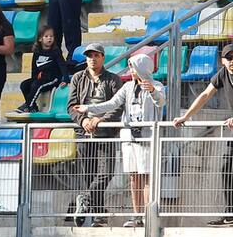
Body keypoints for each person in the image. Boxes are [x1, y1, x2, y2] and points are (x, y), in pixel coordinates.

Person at [74, 53, 164, 227]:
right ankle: (137, 215)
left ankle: (148, 215)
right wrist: (88, 108)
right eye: (130, 67)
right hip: (129, 137)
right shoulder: (128, 87)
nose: (131, 70)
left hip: (146, 137)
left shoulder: (156, 85)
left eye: (133, 67)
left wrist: (152, 91)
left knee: (146, 176)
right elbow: (112, 103)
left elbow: (161, 102)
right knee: (133, 177)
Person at [174, 43, 233, 226]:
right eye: (229, 58)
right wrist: (186, 116)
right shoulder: (223, 75)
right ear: (222, 61)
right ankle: (230, 213)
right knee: (228, 169)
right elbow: (205, 95)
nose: (232, 61)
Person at [66, 43, 123, 227]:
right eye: (89, 55)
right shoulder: (77, 78)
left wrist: (100, 121)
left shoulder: (113, 79)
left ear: (103, 57)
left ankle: (84, 199)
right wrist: (83, 121)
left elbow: (118, 106)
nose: (92, 58)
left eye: (96, 55)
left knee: (106, 173)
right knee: (90, 174)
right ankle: (98, 214)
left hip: (105, 133)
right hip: (84, 132)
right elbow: (71, 106)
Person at [17, 26, 69, 113]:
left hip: (53, 79)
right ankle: (33, 107)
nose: (49, 38)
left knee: (37, 85)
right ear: (40, 39)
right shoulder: (37, 52)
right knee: (24, 85)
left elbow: (62, 65)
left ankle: (28, 105)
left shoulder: (56, 51)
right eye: (46, 36)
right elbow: (34, 68)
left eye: (51, 36)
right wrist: (33, 79)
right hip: (41, 79)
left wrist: (66, 79)